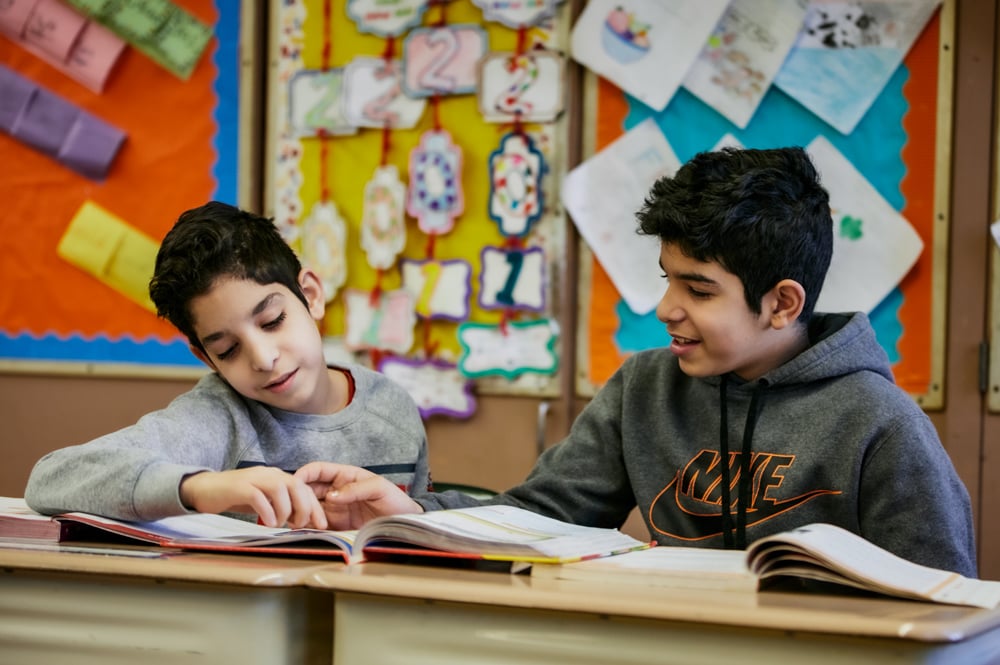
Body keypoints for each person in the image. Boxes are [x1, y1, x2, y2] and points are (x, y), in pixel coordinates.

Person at [295, 146, 978, 577]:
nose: (667, 309)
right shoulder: (645, 387)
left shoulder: (879, 421)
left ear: (781, 302)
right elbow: (536, 516)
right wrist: (409, 511)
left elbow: (946, 603)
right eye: (667, 279)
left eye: (698, 289)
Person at [25, 201, 431, 529]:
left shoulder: (391, 406)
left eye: (272, 321)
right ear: (207, 359)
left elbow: (429, 528)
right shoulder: (219, 415)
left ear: (310, 296)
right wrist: (202, 488)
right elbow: (51, 478)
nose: (263, 358)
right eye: (228, 350)